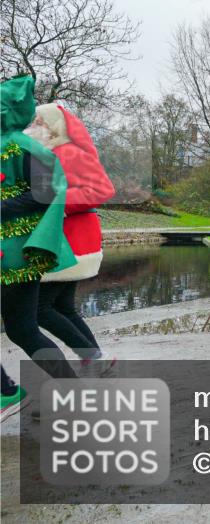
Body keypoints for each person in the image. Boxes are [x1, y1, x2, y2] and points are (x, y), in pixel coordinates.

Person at [25, 104, 117, 376]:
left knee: (41, 308)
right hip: (67, 236)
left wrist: (58, 204)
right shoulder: (50, 153)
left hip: (73, 237)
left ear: (55, 126)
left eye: (41, 122)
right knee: (63, 306)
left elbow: (102, 189)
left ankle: (95, 357)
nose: (35, 127)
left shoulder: (70, 152)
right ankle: (97, 359)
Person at [1, 75, 77, 380]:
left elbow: (44, 193)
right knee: (23, 330)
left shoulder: (23, 146)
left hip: (17, 256)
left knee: (23, 329)